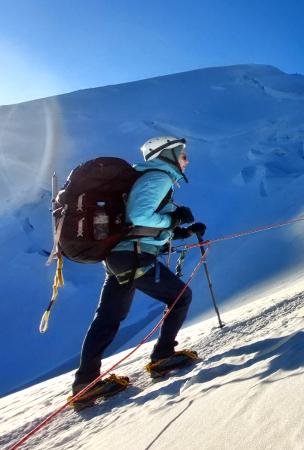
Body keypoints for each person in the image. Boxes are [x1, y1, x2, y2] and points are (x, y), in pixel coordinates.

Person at [71, 136, 206, 408]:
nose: (186, 159)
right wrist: (174, 218)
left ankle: (85, 383)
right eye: (181, 154)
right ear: (165, 155)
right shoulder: (159, 177)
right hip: (133, 256)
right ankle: (163, 356)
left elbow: (141, 225)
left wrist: (180, 230)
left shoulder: (148, 178)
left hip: (122, 256)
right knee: (181, 297)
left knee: (108, 317)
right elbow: (140, 215)